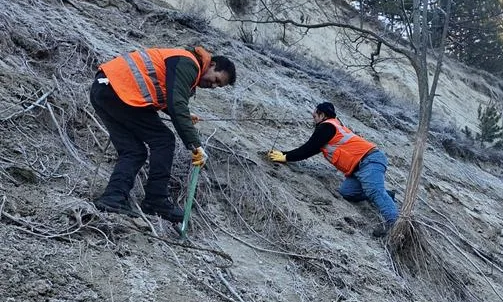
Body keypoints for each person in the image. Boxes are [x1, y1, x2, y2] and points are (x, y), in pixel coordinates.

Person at [91, 46, 236, 222]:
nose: (213, 86)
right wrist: (195, 145)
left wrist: (182, 115)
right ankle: (156, 200)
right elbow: (177, 103)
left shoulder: (182, 62)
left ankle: (112, 199)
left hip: (105, 89)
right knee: (164, 140)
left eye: (217, 86)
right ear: (212, 64)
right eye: (216, 79)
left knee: (133, 150)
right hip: (120, 91)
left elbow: (168, 95)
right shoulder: (188, 63)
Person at [267, 102, 398, 236]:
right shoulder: (332, 126)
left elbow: (307, 149)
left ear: (322, 115)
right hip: (357, 168)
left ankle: (394, 224)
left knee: (374, 192)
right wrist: (284, 154)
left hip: (369, 160)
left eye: (315, 116)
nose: (314, 119)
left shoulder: (327, 127)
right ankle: (388, 195)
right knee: (347, 192)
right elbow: (310, 149)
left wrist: (286, 157)